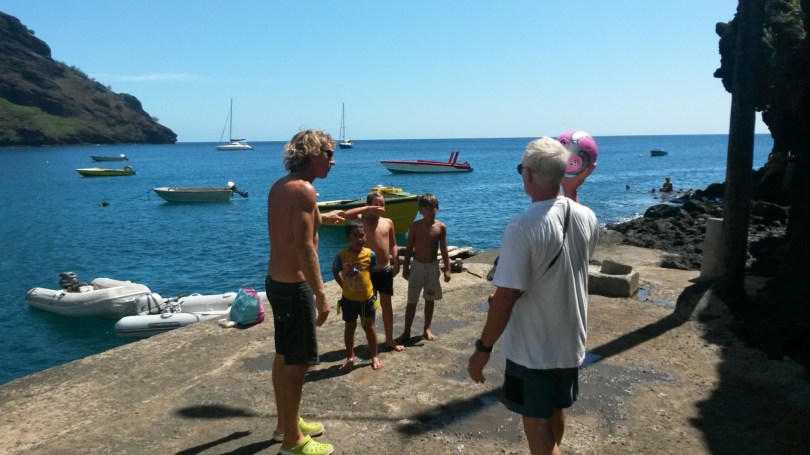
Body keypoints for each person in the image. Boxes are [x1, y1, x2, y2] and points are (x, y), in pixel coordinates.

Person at [468, 137, 599, 455]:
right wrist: (572, 188)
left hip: (534, 349)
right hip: (570, 342)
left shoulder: (523, 226)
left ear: (528, 174)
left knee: (536, 425)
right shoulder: (588, 216)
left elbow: (505, 298)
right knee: (555, 412)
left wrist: (483, 349)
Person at [266, 129, 341, 455]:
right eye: (328, 154)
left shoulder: (282, 185)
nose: (332, 161)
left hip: (276, 283)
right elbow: (304, 246)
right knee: (298, 365)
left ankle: (286, 425)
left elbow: (295, 222)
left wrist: (325, 216)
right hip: (295, 289)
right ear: (311, 154)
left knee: (284, 355)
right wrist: (321, 294)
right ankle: (293, 443)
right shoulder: (305, 191)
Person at [345, 190, 404, 352]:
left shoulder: (388, 222)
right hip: (367, 272)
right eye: (375, 205)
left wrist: (396, 262)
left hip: (384, 270)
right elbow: (346, 215)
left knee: (387, 305)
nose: (379, 207)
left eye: (382, 204)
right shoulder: (361, 220)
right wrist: (366, 209)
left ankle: (390, 339)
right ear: (368, 205)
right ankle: (373, 342)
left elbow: (393, 243)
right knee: (370, 308)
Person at [397, 193, 451, 343]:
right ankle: (406, 331)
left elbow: (444, 249)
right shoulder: (415, 226)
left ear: (437, 209)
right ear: (420, 210)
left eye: (432, 207)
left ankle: (427, 328)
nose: (429, 211)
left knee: (430, 298)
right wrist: (406, 267)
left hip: (433, 267)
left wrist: (447, 269)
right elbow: (409, 248)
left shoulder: (441, 227)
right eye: (426, 208)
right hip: (417, 267)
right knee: (412, 300)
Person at [332, 219, 383, 370]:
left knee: (369, 327)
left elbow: (373, 273)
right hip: (349, 300)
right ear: (348, 238)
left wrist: (373, 292)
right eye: (355, 236)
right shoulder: (342, 255)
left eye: (362, 235)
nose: (359, 239)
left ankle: (374, 356)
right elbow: (335, 270)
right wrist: (343, 285)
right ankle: (350, 356)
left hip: (367, 299)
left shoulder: (370, 254)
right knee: (350, 327)